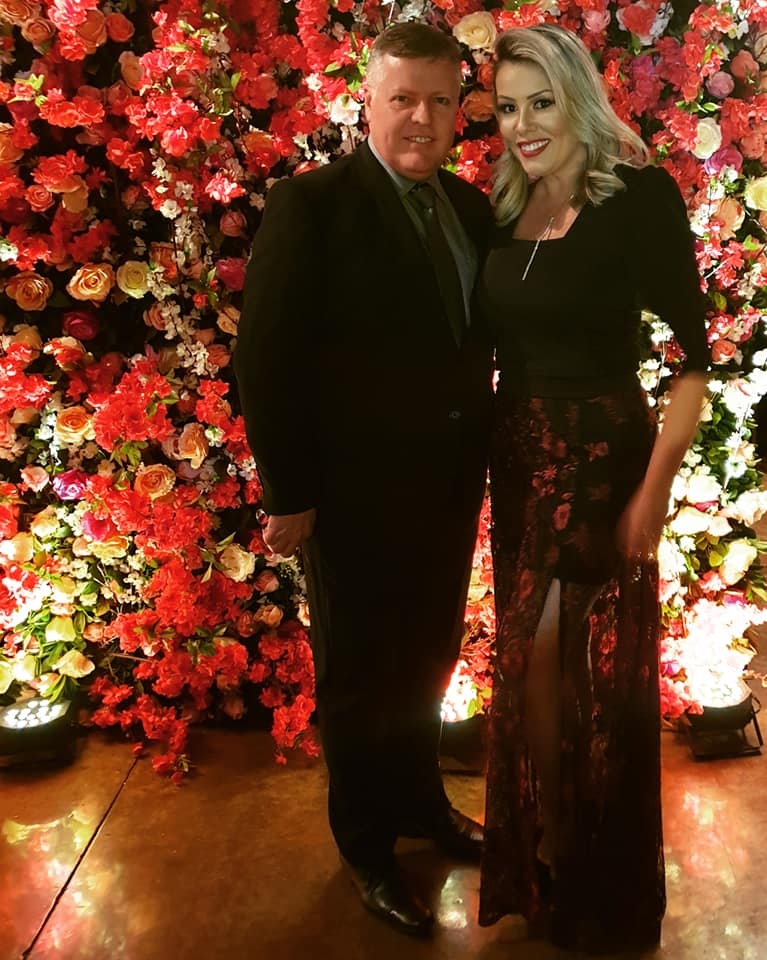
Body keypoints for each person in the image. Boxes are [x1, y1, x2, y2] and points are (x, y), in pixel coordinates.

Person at [234, 22, 494, 939]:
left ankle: (420, 803)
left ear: (458, 109)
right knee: (358, 677)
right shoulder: (311, 204)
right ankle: (367, 846)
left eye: (438, 100)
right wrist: (289, 493)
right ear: (368, 103)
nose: (420, 117)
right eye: (402, 98)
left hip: (447, 487)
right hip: (350, 498)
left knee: (428, 659)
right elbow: (266, 358)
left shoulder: (468, 207)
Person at [477, 24, 709, 955]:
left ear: (576, 97)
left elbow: (693, 363)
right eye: (506, 108)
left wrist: (653, 491)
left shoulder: (638, 198)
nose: (522, 125)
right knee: (531, 660)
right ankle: (553, 840)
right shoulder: (500, 205)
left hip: (603, 453)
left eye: (539, 102)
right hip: (517, 455)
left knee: (562, 658)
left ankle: (580, 851)